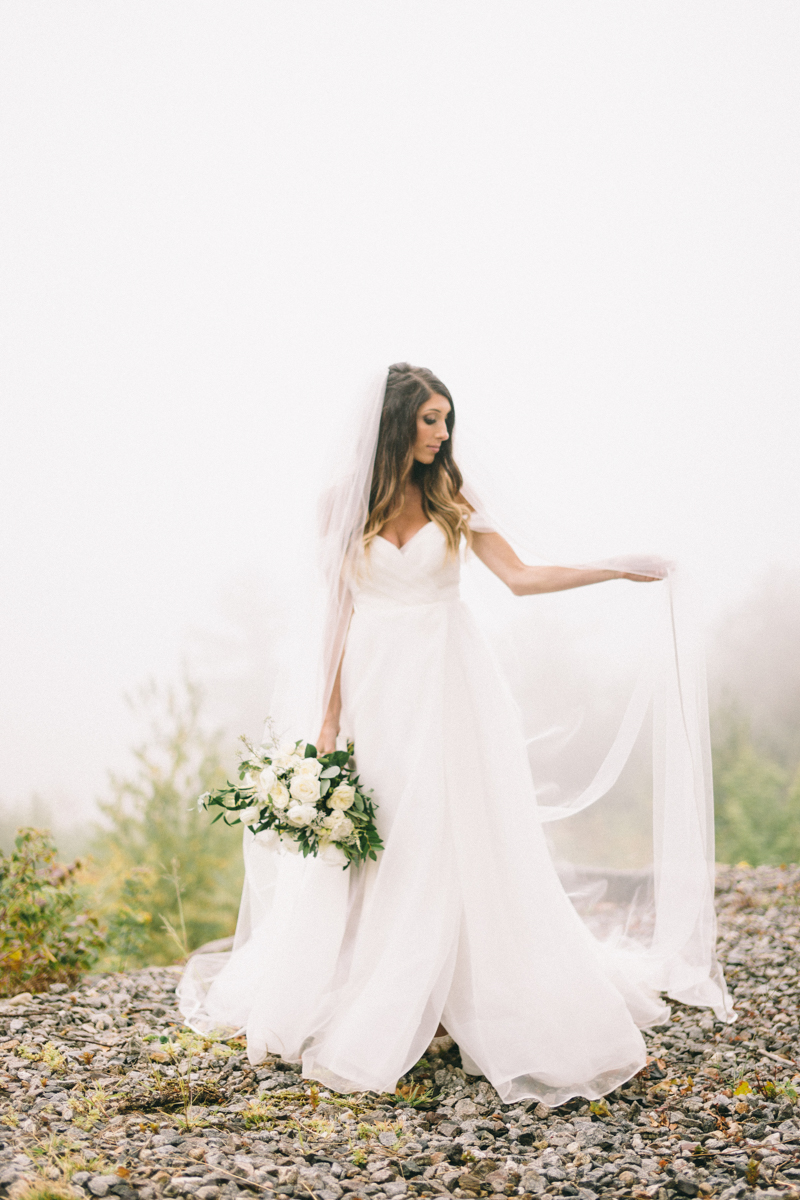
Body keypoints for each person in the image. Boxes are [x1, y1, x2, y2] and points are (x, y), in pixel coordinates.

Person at [179, 363, 730, 1106]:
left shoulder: (454, 493)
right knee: (383, 834)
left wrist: (614, 569)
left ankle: (450, 995)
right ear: (398, 422)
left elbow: (522, 577)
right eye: (431, 420)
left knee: (451, 830)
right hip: (376, 689)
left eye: (447, 421)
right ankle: (374, 984)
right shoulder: (340, 505)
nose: (442, 434)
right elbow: (337, 616)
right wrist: (329, 719)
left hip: (449, 686)